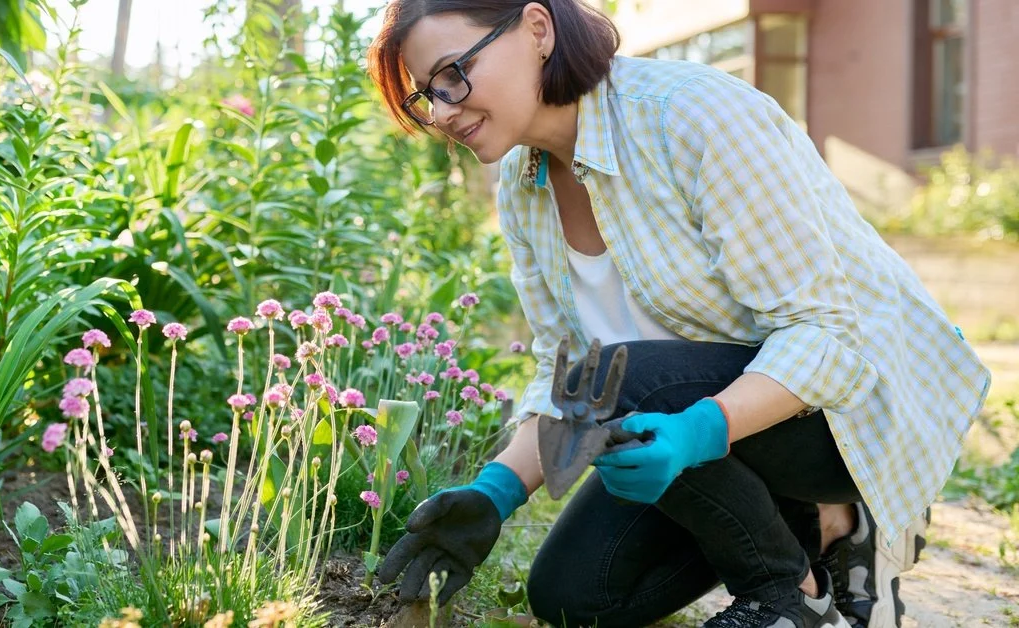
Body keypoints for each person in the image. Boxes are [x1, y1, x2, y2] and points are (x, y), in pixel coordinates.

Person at [366, 1, 992, 627]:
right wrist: (493, 496)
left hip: (852, 414)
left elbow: (824, 334)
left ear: (537, 29)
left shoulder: (690, 115)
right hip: (700, 414)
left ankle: (792, 594)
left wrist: (694, 433)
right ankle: (828, 532)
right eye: (428, 95)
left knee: (621, 375)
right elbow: (567, 378)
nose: (443, 112)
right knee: (573, 600)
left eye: (452, 74)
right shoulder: (522, 188)